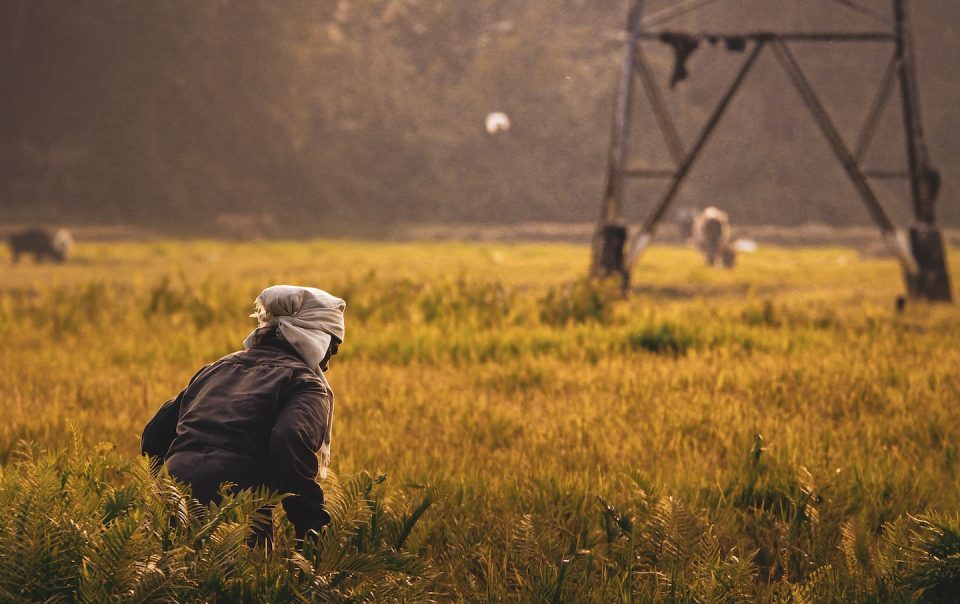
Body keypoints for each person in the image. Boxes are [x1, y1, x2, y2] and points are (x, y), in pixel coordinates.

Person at [141, 285, 345, 540]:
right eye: (332, 347)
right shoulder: (303, 382)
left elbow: (155, 433)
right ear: (315, 340)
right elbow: (289, 441)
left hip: (168, 500)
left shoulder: (216, 368)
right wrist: (310, 525)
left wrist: (163, 487)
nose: (328, 363)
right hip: (233, 514)